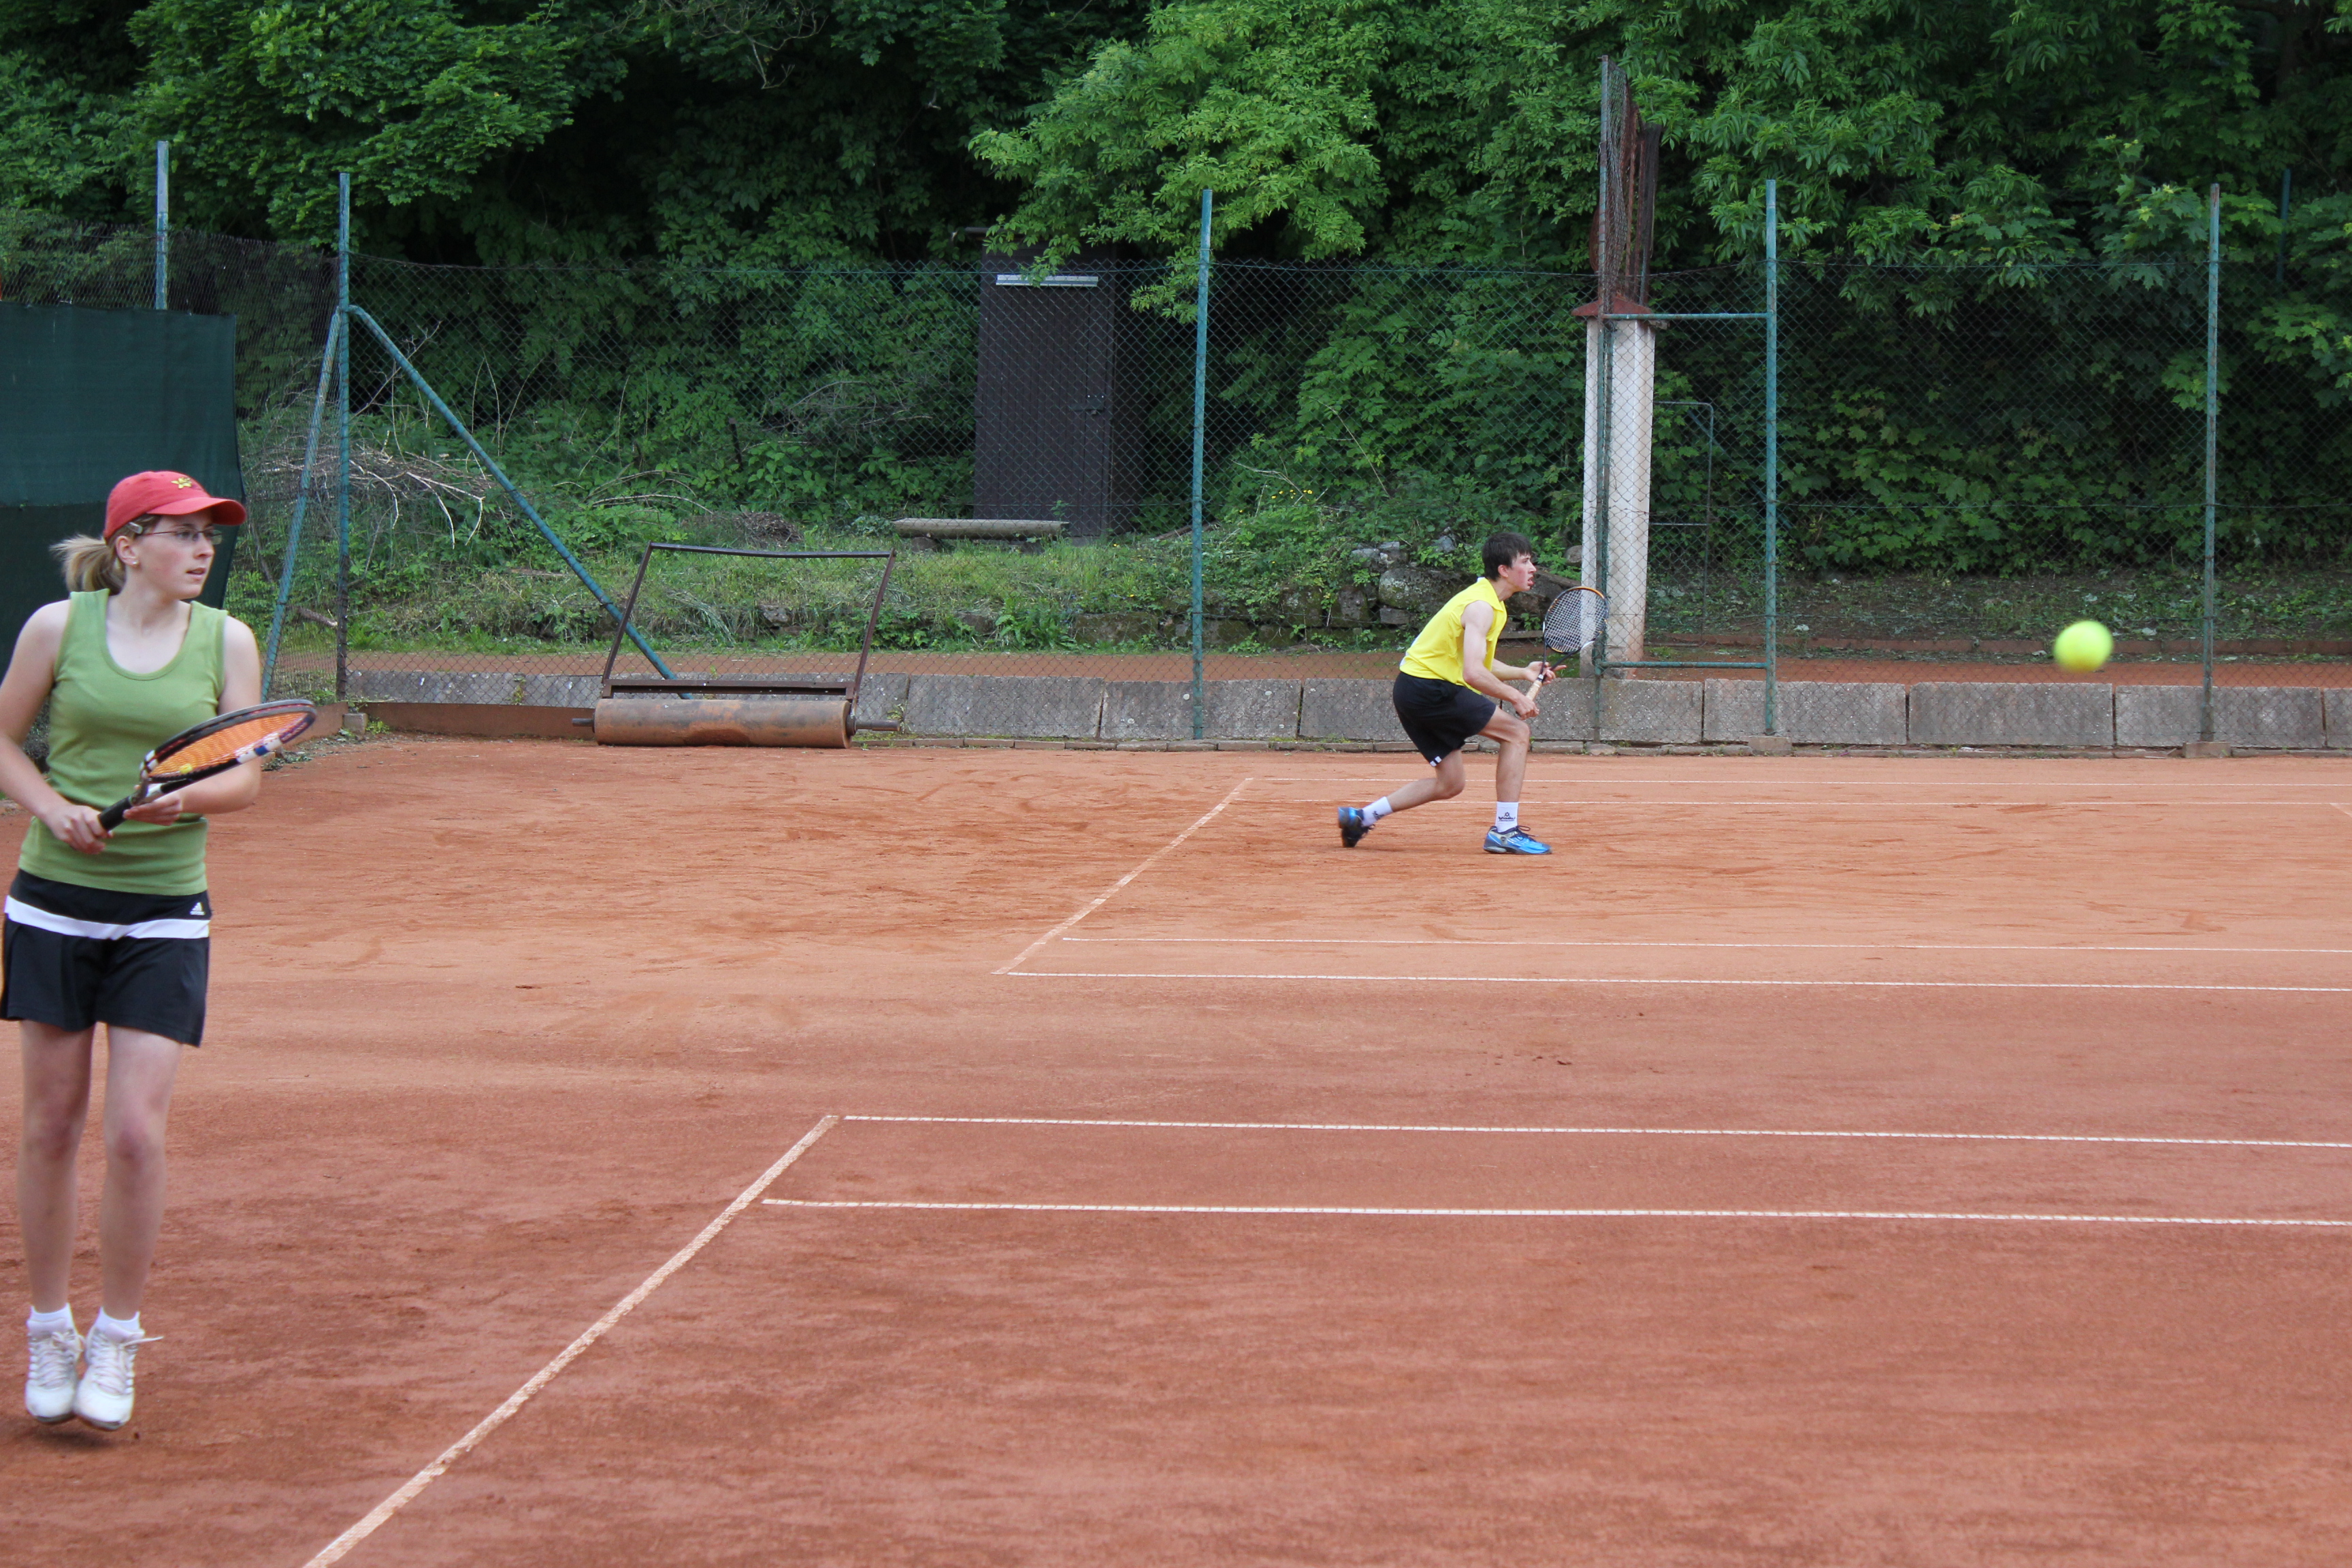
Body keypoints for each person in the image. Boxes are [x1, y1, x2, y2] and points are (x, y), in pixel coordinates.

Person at [1, 471, 261, 1431]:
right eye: (184, 534)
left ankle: (116, 1334)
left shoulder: (227, 640)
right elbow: (3, 741)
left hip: (164, 913)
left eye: (209, 535)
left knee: (135, 1134)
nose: (203, 550)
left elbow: (245, 778)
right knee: (49, 1126)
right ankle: (49, 1328)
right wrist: (51, 807)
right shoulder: (55, 629)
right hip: (52, 907)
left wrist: (181, 798)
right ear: (128, 546)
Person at [1339, 531, 1552, 855]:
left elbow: (1477, 662)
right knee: (1517, 733)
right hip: (1431, 689)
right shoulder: (1481, 607)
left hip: (1412, 689)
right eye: (1525, 562)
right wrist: (1516, 696)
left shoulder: (1488, 601)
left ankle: (1362, 817)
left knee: (1450, 784)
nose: (1533, 568)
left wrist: (1523, 672)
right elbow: (1473, 674)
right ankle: (1505, 831)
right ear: (1504, 570)